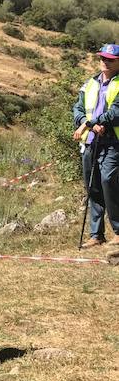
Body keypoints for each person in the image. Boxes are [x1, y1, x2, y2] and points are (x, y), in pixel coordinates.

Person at [72, 43, 119, 248]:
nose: (104, 61)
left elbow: (116, 112)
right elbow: (78, 108)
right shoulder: (90, 83)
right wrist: (84, 121)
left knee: (109, 181)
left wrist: (93, 123)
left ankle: (118, 231)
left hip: (113, 141)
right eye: (102, 57)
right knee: (93, 187)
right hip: (91, 141)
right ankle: (96, 234)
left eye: (109, 59)